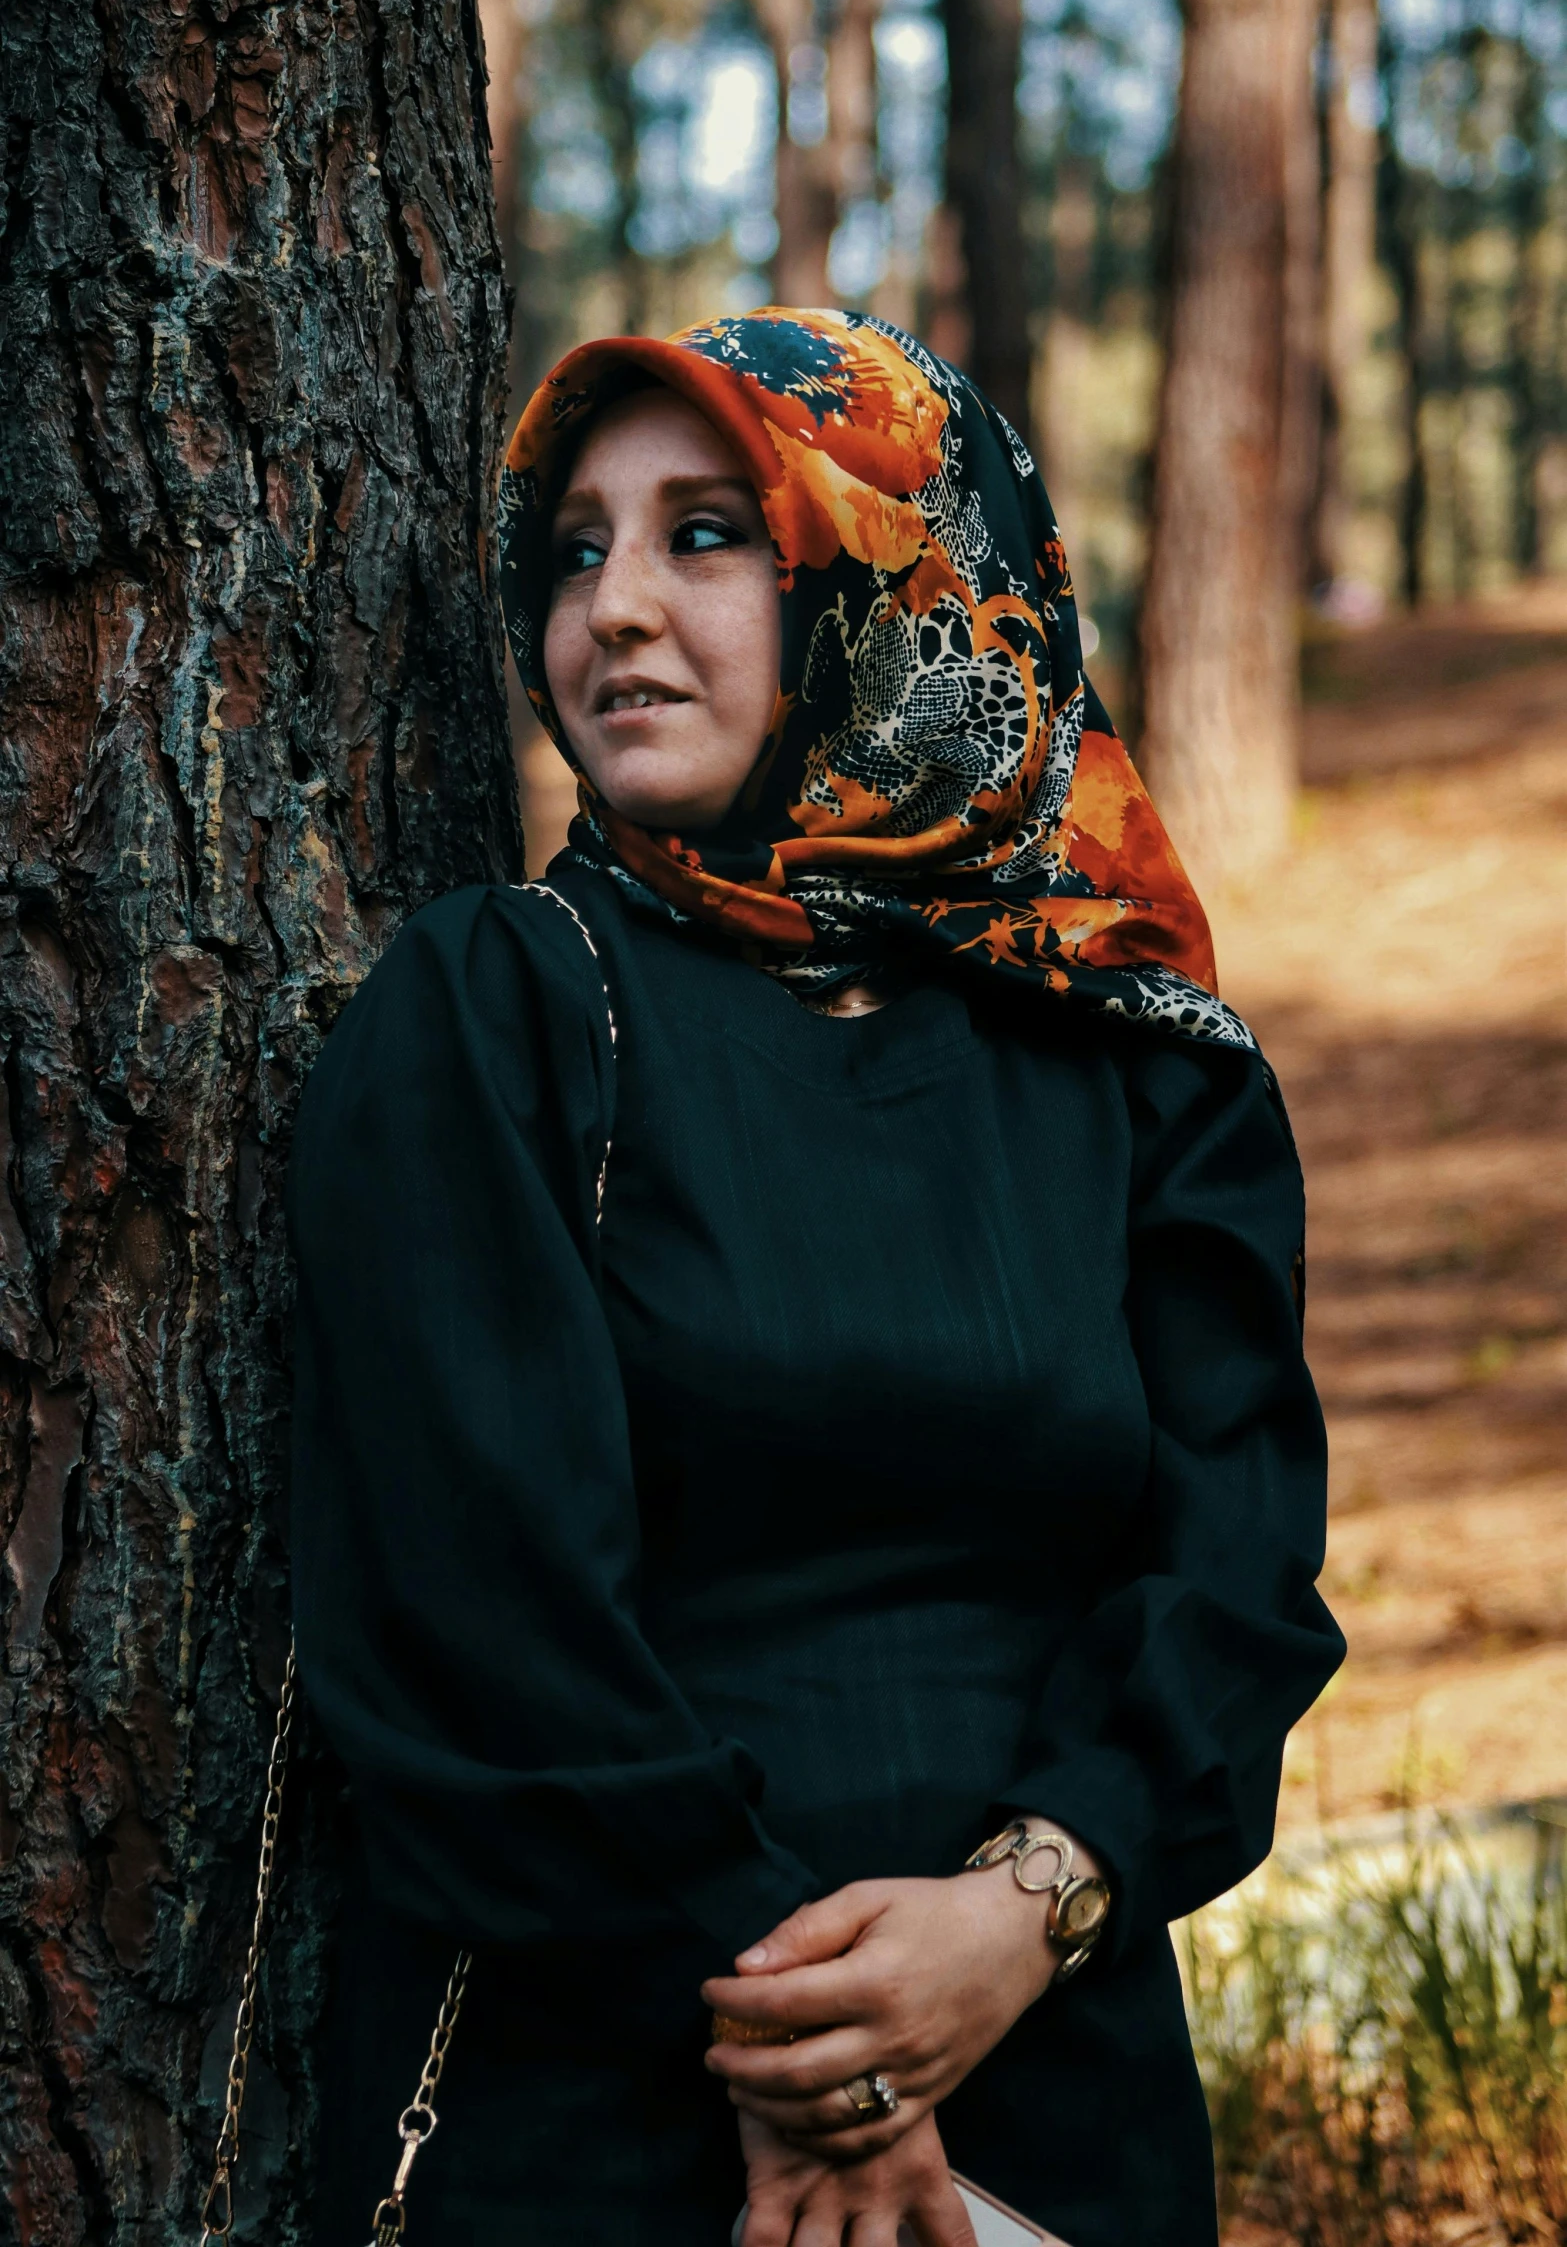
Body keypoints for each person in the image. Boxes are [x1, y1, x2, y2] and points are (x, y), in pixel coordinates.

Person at [289, 308, 1343, 2247]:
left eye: (707, 533)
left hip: (1062, 2068)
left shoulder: (1138, 1052)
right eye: (578, 546)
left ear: (893, 564)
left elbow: (1241, 1571)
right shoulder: (499, 1010)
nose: (613, 607)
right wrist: (827, 2061)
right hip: (607, 2094)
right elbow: (473, 1611)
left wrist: (1018, 1918)